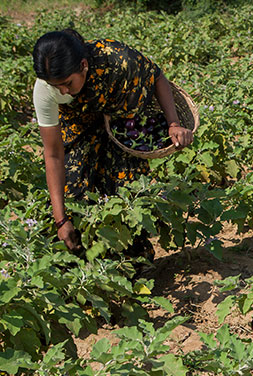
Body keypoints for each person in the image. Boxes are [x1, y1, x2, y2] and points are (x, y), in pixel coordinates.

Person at [31, 29, 193, 254]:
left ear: (84, 65)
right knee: (73, 193)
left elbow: (156, 76)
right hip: (79, 124)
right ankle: (82, 261)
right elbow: (54, 154)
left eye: (67, 83)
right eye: (55, 86)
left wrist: (173, 123)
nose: (63, 91)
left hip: (122, 120)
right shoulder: (44, 91)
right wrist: (60, 220)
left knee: (125, 195)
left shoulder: (117, 60)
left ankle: (133, 262)